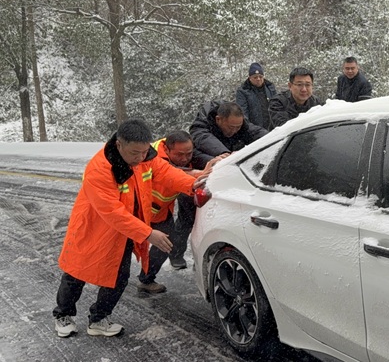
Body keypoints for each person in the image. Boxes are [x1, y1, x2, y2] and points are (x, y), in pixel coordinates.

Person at [53, 119, 200, 338]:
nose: (140, 158)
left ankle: (99, 319)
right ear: (119, 144)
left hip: (124, 231)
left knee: (118, 276)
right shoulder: (100, 168)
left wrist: (193, 185)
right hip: (93, 228)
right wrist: (148, 233)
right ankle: (63, 314)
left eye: (144, 152)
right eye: (134, 153)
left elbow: (168, 173)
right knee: (77, 273)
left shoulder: (145, 157)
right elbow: (111, 211)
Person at [136, 131, 225, 294]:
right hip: (136, 211)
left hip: (160, 211)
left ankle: (147, 280)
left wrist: (220, 162)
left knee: (165, 244)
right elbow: (173, 173)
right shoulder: (153, 158)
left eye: (189, 154)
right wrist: (199, 174)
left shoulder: (184, 151)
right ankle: (103, 277)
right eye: (180, 155)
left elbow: (197, 162)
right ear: (168, 151)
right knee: (119, 250)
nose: (185, 158)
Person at [189, 100, 267, 169]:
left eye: (238, 127)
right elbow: (203, 137)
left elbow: (256, 132)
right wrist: (224, 154)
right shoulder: (201, 126)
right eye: (231, 127)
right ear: (218, 119)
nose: (234, 131)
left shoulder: (243, 126)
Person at [236, 62, 278, 131]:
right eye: (255, 77)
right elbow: (243, 114)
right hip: (255, 130)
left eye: (260, 76)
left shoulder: (270, 88)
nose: (258, 79)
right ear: (250, 78)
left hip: (272, 128)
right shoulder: (243, 91)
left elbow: (276, 107)